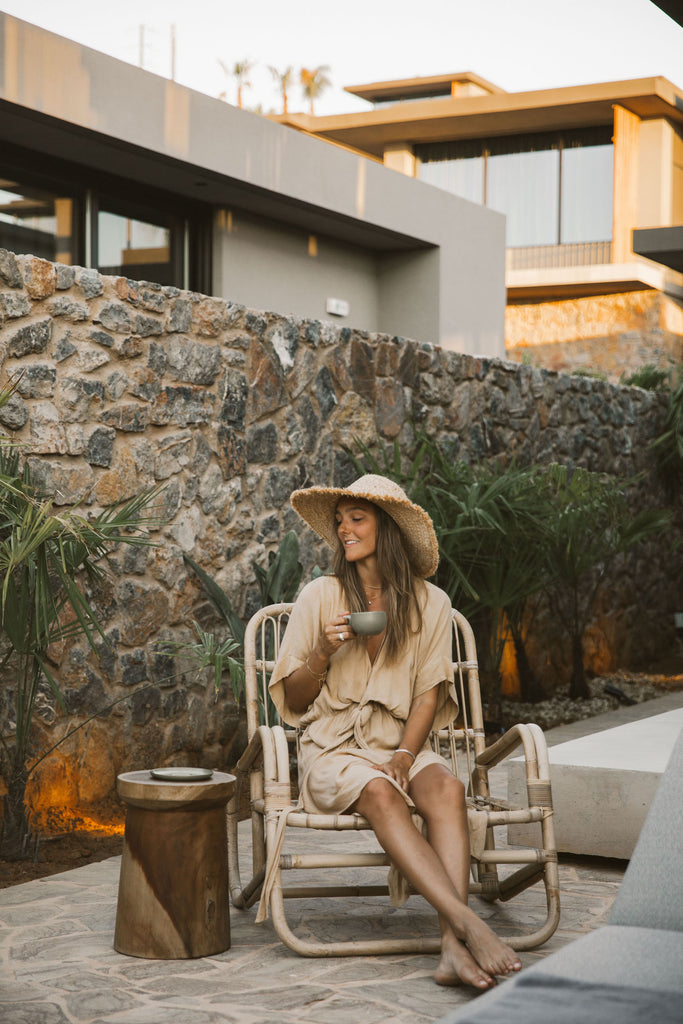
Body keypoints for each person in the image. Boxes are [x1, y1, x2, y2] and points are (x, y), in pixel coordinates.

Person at [266, 474, 522, 989]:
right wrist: (322, 652)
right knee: (381, 792)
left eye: (357, 519)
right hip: (333, 749)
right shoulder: (320, 596)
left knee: (448, 787)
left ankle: (451, 948)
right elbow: (292, 702)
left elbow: (428, 694)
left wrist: (407, 754)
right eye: (340, 521)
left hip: (401, 742)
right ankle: (467, 922)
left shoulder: (432, 605)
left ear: (389, 530)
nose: (344, 530)